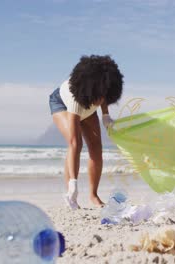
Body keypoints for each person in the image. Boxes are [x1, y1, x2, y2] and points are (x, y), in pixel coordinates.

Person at [49, 55, 123, 209]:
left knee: (96, 147)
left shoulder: (102, 90)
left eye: (105, 96)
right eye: (100, 97)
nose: (102, 100)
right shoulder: (75, 101)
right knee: (76, 143)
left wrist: (105, 115)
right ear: (92, 91)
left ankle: (93, 195)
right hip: (62, 103)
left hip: (87, 106)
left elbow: (104, 96)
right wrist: (74, 183)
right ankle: (71, 194)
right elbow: (74, 143)